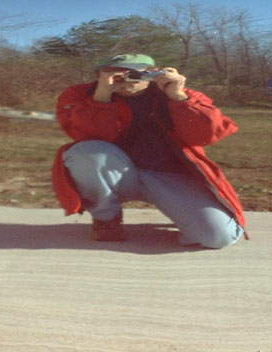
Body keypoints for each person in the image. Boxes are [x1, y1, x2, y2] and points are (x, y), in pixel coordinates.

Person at [51, 53, 246, 248]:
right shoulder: (82, 95)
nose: (127, 79)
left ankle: (187, 214)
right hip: (115, 173)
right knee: (85, 152)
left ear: (154, 73)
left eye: (136, 73)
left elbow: (207, 135)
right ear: (99, 76)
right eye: (115, 74)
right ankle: (106, 219)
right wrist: (101, 97)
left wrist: (178, 97)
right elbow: (85, 135)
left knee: (218, 237)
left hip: (169, 175)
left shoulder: (178, 93)